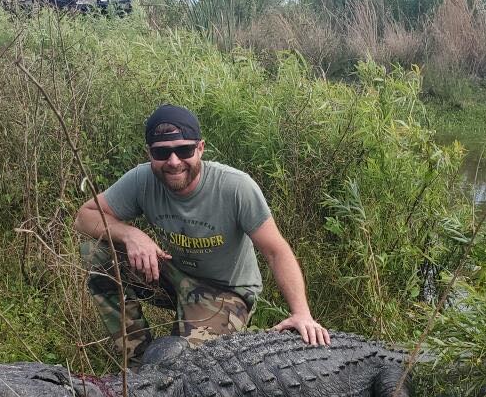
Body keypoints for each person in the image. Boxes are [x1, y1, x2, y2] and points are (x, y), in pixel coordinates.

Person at [75, 104, 330, 363]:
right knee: (95, 250)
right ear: (149, 153)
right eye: (161, 152)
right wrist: (130, 234)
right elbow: (84, 217)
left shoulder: (235, 187)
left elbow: (276, 251)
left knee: (188, 368)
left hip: (225, 292)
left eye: (184, 150)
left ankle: (181, 347)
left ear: (200, 148)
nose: (173, 162)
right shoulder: (142, 179)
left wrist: (302, 313)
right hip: (172, 275)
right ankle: (136, 359)